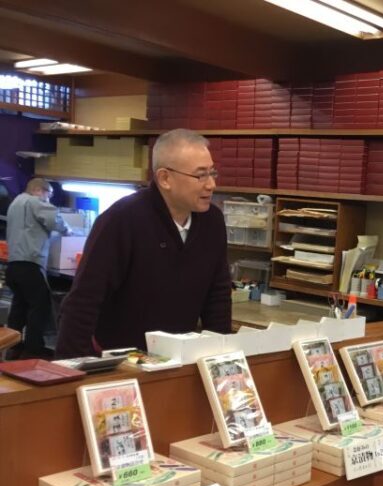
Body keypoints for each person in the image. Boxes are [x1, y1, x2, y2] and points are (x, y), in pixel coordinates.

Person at [56, 129, 231, 357]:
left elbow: (218, 297)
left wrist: (221, 356)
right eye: (201, 176)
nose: (211, 184)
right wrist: (73, 369)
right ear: (165, 178)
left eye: (212, 173)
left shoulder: (212, 222)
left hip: (178, 358)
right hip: (121, 360)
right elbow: (83, 302)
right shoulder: (122, 219)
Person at [5, 178, 71, 358]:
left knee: (19, 306)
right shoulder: (35, 201)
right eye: (49, 195)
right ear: (39, 190)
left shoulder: (16, 202)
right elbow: (55, 220)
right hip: (30, 264)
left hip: (14, 265)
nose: (48, 199)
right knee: (40, 306)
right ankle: (33, 350)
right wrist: (70, 231)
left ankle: (13, 347)